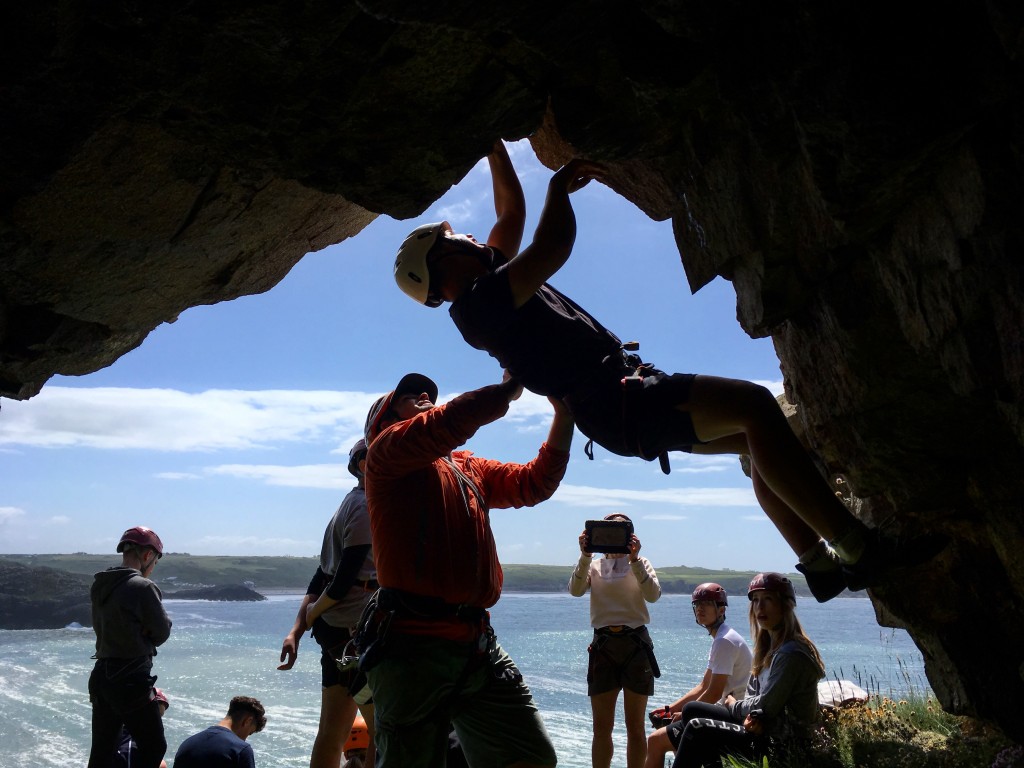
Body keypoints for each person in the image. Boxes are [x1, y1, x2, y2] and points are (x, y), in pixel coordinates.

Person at [392, 141, 945, 603]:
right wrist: (558, 191)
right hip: (620, 398)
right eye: (455, 237)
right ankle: (858, 549)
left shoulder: (481, 289)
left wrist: (494, 148)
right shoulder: (479, 303)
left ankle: (820, 567)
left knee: (753, 442)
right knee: (756, 406)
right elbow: (552, 244)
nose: (468, 234)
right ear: (440, 262)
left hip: (616, 405)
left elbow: (509, 216)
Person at [360, 371, 574, 768]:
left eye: (427, 393)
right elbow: (447, 423)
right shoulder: (385, 454)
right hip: (413, 649)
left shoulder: (465, 467)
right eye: (409, 395)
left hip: (477, 644)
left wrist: (564, 413)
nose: (425, 395)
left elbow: (535, 483)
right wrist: (509, 390)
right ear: (382, 422)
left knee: (530, 759)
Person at [278, 439, 377, 768]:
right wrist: (311, 613)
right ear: (364, 465)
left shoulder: (347, 503)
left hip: (336, 637)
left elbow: (321, 574)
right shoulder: (365, 508)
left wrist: (298, 629)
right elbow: (340, 581)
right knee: (382, 728)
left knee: (332, 732)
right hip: (353, 637)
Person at [668, 573, 824, 768]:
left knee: (697, 728)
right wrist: (750, 715)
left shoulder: (791, 653)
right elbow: (753, 692)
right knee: (692, 710)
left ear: (786, 606)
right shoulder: (767, 647)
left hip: (784, 744)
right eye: (756, 600)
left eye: (768, 599)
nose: (760, 607)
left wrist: (735, 706)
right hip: (762, 728)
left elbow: (767, 706)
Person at [568, 513, 662, 768]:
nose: (614, 534)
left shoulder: (641, 563)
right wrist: (585, 555)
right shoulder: (594, 566)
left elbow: (653, 595)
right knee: (601, 727)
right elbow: (575, 591)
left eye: (620, 529)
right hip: (604, 645)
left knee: (635, 726)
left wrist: (635, 561)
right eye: (609, 528)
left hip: (636, 644)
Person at [87, 526, 172, 768]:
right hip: (130, 678)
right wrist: (145, 631)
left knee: (102, 751)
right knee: (155, 746)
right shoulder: (142, 587)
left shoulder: (101, 585)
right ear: (147, 556)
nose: (153, 567)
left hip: (103, 677)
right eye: (155, 561)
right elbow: (161, 632)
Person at [644, 584, 752, 768]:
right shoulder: (723, 637)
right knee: (676, 728)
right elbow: (704, 686)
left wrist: (682, 714)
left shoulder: (724, 641)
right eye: (697, 604)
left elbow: (714, 693)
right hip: (727, 711)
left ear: (721, 609)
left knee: (656, 741)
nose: (700, 608)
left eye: (708, 603)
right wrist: (670, 710)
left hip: (734, 714)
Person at [173, 696, 266, 768]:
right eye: (249, 732)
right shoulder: (240, 749)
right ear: (247, 721)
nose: (245, 739)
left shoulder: (187, 744)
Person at [108, 688, 170, 768]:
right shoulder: (133, 746)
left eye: (160, 717)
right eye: (156, 717)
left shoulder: (115, 732)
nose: (158, 723)